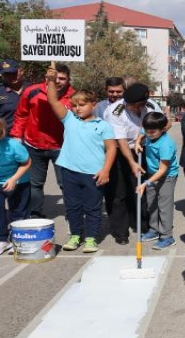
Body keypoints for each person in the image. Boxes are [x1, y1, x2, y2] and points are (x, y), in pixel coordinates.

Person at [44, 65, 117, 253]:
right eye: (75, 105)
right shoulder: (69, 119)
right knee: (73, 207)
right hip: (69, 171)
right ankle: (75, 235)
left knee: (92, 207)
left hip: (93, 174)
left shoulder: (104, 126)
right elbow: (52, 100)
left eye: (82, 105)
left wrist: (106, 170)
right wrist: (51, 80)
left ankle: (91, 238)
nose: (77, 109)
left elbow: (111, 149)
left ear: (93, 104)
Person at [10, 63, 74, 219]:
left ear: (68, 80)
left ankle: (72, 216)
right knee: (35, 184)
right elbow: (21, 115)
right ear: (47, 77)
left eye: (62, 78)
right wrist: (17, 136)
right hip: (33, 145)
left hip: (62, 147)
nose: (58, 81)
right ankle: (35, 214)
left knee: (66, 184)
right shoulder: (31, 91)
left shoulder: (74, 96)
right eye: (54, 77)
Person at [103, 83, 162, 245]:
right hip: (119, 152)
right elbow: (120, 140)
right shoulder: (115, 111)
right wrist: (131, 162)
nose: (135, 109)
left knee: (139, 189)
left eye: (138, 106)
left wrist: (144, 138)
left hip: (142, 150)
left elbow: (163, 124)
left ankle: (141, 224)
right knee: (118, 193)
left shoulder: (151, 106)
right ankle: (120, 231)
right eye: (132, 106)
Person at [135, 112, 179, 250]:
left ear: (162, 129)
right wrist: (137, 142)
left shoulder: (166, 145)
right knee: (151, 203)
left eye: (152, 132)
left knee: (164, 206)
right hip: (152, 174)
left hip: (167, 176)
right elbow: (142, 133)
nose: (149, 134)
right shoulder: (149, 131)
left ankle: (167, 236)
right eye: (147, 131)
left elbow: (162, 170)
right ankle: (154, 230)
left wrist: (146, 183)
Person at [0, 118, 31, 255]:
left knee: (18, 211)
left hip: (18, 180)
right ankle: (2, 240)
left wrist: (14, 179)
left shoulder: (13, 145)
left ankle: (17, 239)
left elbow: (26, 162)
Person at [0, 59, 31, 133]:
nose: (11, 76)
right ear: (2, 76)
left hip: (29, 139)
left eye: (13, 73)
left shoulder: (33, 90)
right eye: (7, 74)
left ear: (21, 71)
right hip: (6, 138)